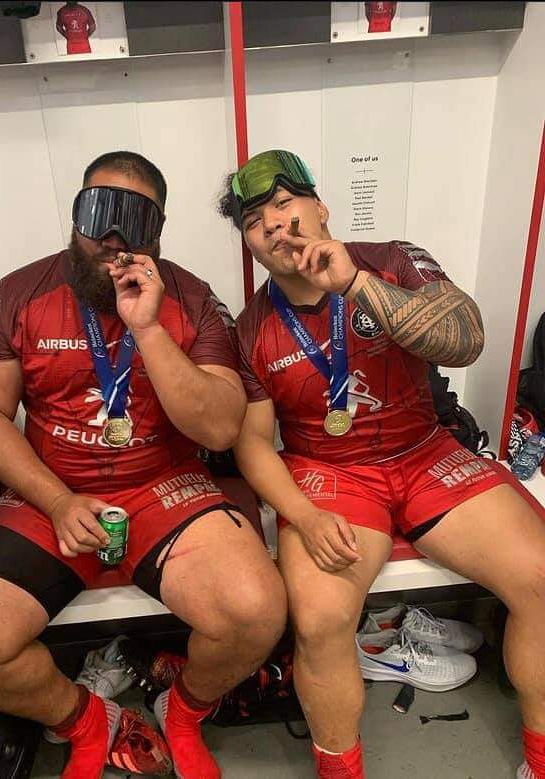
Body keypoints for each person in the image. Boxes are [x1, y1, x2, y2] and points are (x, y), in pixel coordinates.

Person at [0, 151, 287, 779]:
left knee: (256, 612)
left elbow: (220, 427)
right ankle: (87, 719)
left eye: (134, 221)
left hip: (164, 484)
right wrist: (57, 501)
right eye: (99, 212)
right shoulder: (15, 295)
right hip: (49, 488)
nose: (113, 237)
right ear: (75, 216)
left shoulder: (195, 300)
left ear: (158, 232)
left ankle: (182, 709)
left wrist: (149, 329)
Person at [218, 149, 545, 779]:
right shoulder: (251, 328)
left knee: (540, 576)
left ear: (320, 207)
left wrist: (355, 285)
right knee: (320, 620)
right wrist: (303, 516)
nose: (274, 224)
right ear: (251, 245)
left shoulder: (392, 260)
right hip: (330, 472)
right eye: (255, 221)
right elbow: (253, 443)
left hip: (424, 452)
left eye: (284, 204)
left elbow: (467, 339)